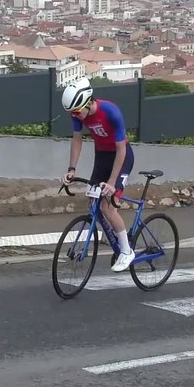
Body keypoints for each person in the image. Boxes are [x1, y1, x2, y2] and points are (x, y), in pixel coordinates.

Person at [60, 76, 136, 271]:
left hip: (121, 157)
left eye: (76, 112)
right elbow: (77, 140)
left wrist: (112, 183)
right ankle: (113, 235)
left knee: (108, 206)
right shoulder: (78, 114)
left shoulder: (111, 112)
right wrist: (71, 169)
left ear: (87, 103)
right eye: (71, 113)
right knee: (93, 201)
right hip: (102, 156)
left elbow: (121, 150)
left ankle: (126, 251)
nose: (75, 116)